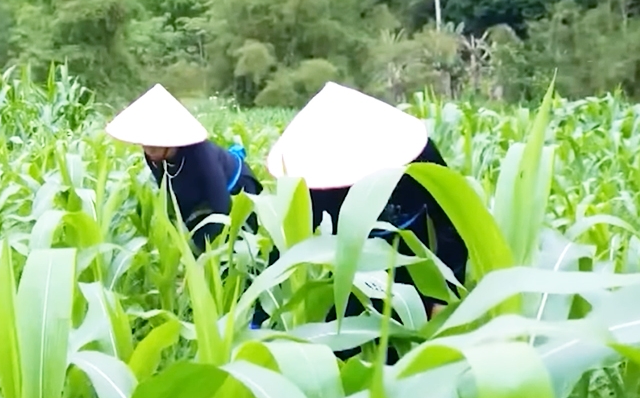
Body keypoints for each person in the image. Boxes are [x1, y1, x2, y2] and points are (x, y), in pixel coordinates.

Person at [253, 82, 468, 355]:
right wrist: (262, 321)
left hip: (409, 275)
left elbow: (452, 222)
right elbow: (288, 245)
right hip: (346, 282)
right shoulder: (315, 180)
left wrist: (443, 296)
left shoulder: (419, 157)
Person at [105, 84, 263, 254]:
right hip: (201, 197)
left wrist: (209, 254)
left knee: (241, 248)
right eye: (144, 144)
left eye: (153, 145)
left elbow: (222, 207)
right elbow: (171, 193)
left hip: (237, 189)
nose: (148, 150)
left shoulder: (201, 155)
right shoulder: (153, 155)